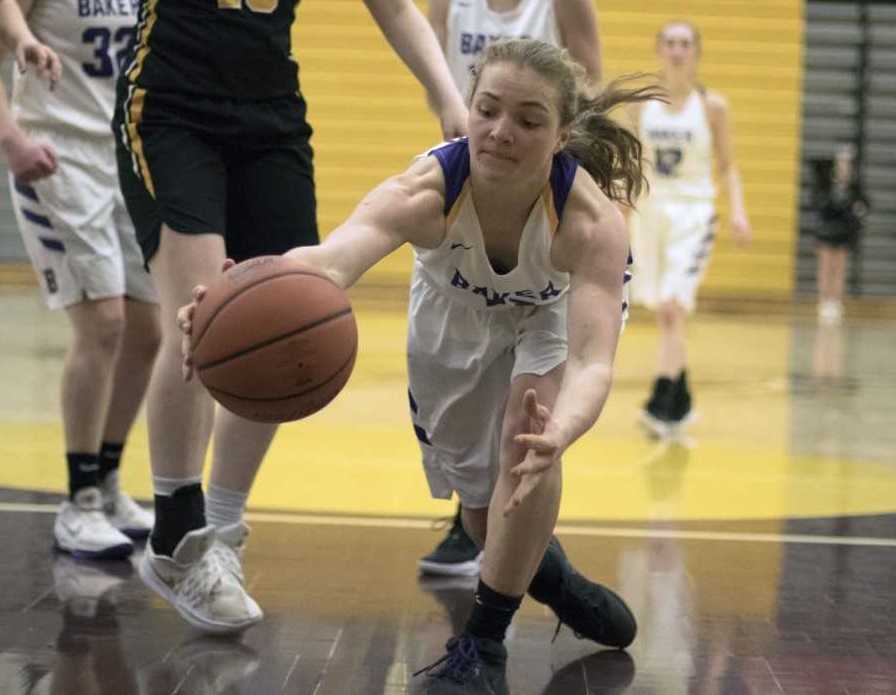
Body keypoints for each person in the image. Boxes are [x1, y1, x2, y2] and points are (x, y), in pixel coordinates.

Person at [181, 37, 648, 693]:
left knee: (528, 437)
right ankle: (552, 574)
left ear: (562, 133)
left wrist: (562, 430)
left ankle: (481, 647)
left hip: (552, 312)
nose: (500, 132)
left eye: (528, 119)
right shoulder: (426, 190)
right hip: (454, 313)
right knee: (486, 515)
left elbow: (594, 361)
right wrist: (221, 306)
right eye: (487, 110)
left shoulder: (591, 222)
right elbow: (331, 261)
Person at [113, 0, 469, 634]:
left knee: (279, 320)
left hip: (269, 117)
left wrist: (448, 95)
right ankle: (174, 532)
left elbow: (394, 9)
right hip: (170, 107)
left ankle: (220, 529)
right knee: (200, 317)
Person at [420, 0, 603, 580]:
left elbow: (589, 79)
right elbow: (434, 63)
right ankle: (483, 521)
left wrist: (558, 160)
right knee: (464, 402)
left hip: (539, 177)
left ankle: (499, 572)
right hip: (476, 172)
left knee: (527, 416)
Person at [0, 0, 159, 559]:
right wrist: (12, 141)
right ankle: (80, 499)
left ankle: (109, 480)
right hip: (57, 155)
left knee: (148, 330)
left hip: (127, 154)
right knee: (104, 322)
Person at [627, 20, 752, 438]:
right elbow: (629, 166)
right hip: (651, 210)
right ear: (658, 50)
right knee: (664, 312)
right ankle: (682, 401)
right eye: (670, 43)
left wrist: (738, 211)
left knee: (672, 307)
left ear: (696, 52)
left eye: (685, 44)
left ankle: (661, 401)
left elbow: (728, 165)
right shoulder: (642, 105)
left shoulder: (712, 105)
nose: (678, 51)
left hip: (694, 213)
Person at [811, 144, 869, 325]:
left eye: (847, 163)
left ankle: (835, 301)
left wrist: (857, 209)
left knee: (839, 267)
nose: (844, 166)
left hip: (843, 231)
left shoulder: (854, 186)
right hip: (827, 230)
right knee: (825, 267)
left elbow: (863, 204)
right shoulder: (826, 182)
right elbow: (818, 202)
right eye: (841, 162)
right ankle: (823, 300)